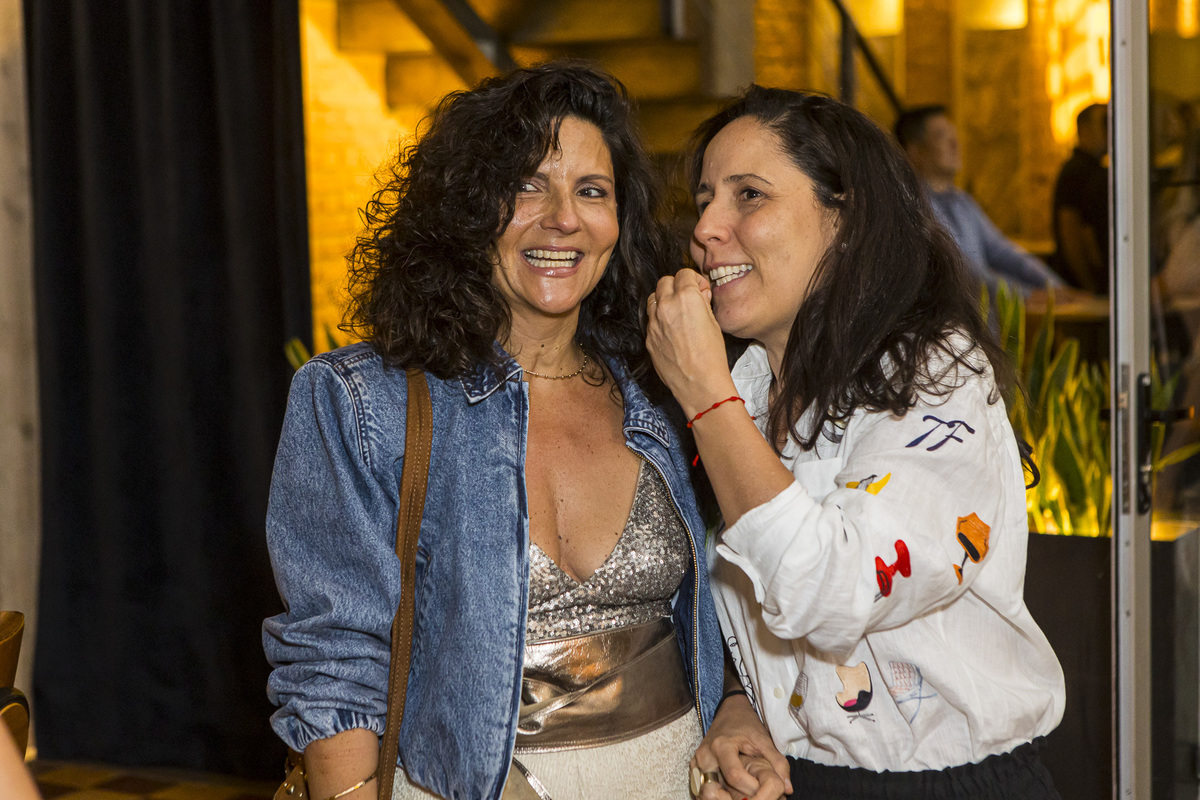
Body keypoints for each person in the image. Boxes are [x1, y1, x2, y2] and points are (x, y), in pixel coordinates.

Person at [262, 63, 727, 800]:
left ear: (621, 221)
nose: (563, 218)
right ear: (468, 208)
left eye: (592, 191)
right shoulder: (362, 400)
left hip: (675, 777)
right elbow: (334, 659)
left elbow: (735, 605)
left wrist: (737, 712)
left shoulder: (664, 391)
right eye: (527, 186)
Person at [648, 87, 1066, 799]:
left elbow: (834, 590)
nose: (707, 228)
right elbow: (741, 608)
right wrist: (739, 705)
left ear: (844, 219)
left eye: (749, 195)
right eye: (705, 199)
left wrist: (706, 400)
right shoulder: (744, 386)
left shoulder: (932, 373)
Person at [895, 105, 1066, 297]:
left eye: (954, 134)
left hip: (984, 311)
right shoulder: (910, 205)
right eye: (941, 136)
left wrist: (1056, 287)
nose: (955, 143)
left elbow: (1003, 252)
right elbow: (963, 271)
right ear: (915, 151)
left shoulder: (963, 201)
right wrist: (1029, 296)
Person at [1052, 103, 1109, 293]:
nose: (1110, 128)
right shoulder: (1077, 171)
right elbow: (1071, 232)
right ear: (1085, 129)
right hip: (1080, 287)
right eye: (1104, 122)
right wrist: (1088, 285)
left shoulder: (1095, 170)